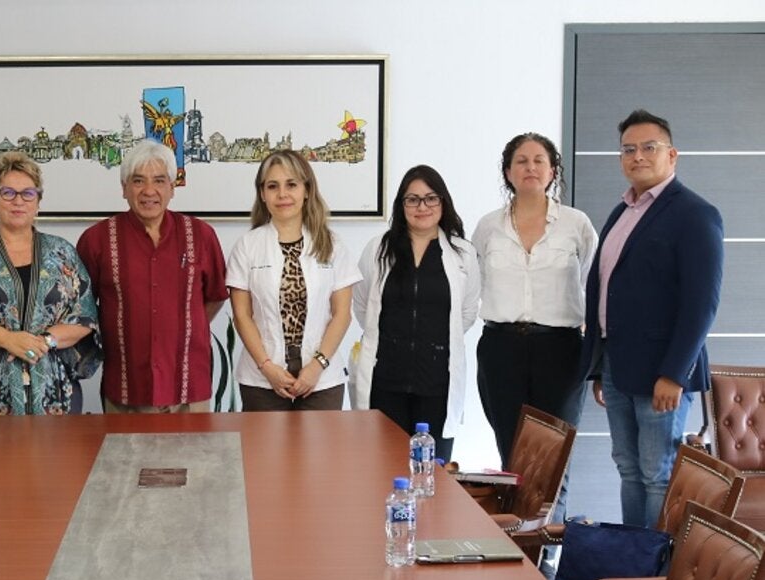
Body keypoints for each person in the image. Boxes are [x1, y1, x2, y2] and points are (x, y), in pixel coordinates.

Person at [581, 109, 724, 528]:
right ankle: (633, 559)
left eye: (649, 147)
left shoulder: (695, 214)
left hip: (662, 373)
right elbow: (605, 288)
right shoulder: (622, 211)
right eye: (628, 149)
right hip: (617, 367)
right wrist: (598, 367)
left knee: (657, 475)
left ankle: (653, 575)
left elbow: (702, 304)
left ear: (672, 155)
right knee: (628, 470)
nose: (637, 156)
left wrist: (675, 374)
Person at [0, 151, 100, 427]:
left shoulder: (62, 252)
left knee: (55, 470)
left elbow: (84, 317)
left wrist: (45, 341)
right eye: (8, 193)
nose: (18, 201)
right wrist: (7, 339)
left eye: (27, 193)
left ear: (38, 202)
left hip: (54, 394)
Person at [76, 140, 227, 413]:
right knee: (122, 457)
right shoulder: (96, 240)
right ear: (124, 189)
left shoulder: (201, 235)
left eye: (159, 180)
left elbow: (215, 296)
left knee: (195, 456)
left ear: (172, 188)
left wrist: (181, 328)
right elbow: (82, 309)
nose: (149, 191)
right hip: (125, 387)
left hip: (188, 387)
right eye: (137, 181)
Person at [473, 134, 597, 467]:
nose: (530, 167)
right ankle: (516, 520)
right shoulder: (488, 227)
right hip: (501, 348)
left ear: (553, 170)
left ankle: (553, 521)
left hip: (561, 349)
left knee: (554, 454)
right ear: (508, 173)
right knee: (512, 454)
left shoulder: (576, 224)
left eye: (539, 160)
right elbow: (474, 283)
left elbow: (594, 284)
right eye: (522, 161)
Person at [351, 165, 480, 461]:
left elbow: (468, 311)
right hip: (386, 380)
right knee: (381, 470)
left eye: (430, 198)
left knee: (432, 474)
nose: (422, 206)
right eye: (413, 199)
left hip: (437, 382)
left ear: (443, 203)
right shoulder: (378, 249)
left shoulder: (462, 253)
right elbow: (363, 306)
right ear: (401, 205)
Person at [227, 150, 360, 410]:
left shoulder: (332, 245)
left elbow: (342, 314)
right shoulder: (247, 246)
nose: (282, 194)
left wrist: (317, 365)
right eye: (272, 186)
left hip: (321, 381)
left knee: (319, 452)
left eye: (292, 185)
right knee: (265, 452)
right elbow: (242, 316)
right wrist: (267, 368)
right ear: (262, 194)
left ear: (307, 190)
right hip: (262, 381)